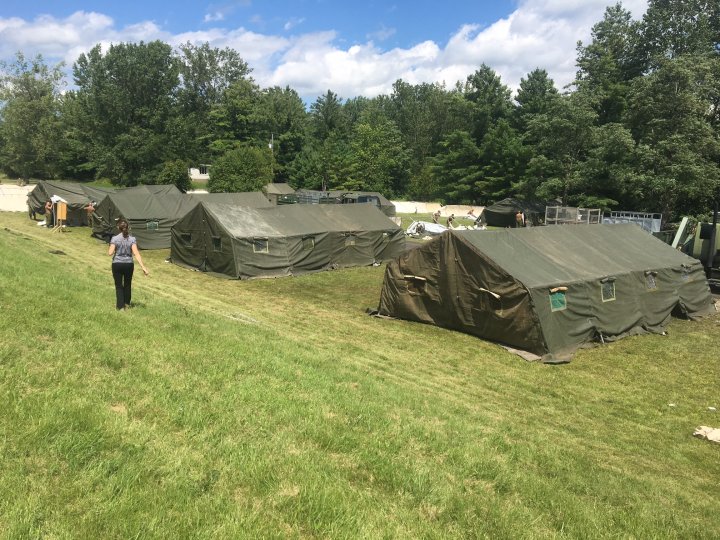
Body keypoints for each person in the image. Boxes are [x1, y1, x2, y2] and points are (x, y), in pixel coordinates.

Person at [108, 219, 149, 310]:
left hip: (117, 264)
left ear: (118, 228)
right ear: (128, 228)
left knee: (119, 286)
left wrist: (112, 245)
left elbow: (110, 253)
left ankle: (120, 307)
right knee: (127, 284)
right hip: (129, 265)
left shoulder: (115, 238)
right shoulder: (132, 239)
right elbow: (136, 253)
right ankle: (127, 303)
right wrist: (143, 267)